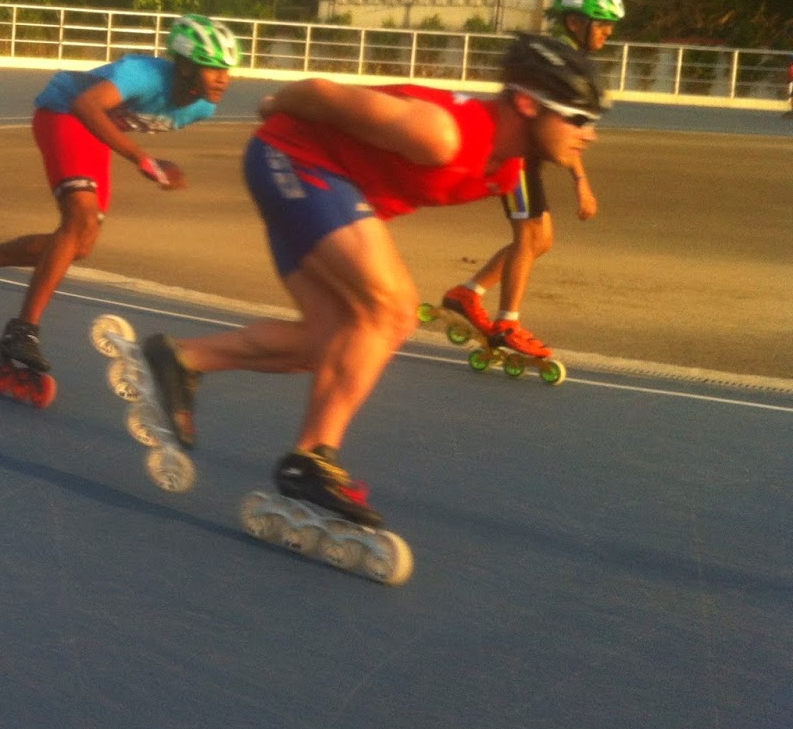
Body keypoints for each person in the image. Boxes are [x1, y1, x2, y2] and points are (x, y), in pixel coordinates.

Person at [131, 33, 606, 527]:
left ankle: (183, 358)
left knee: (329, 343)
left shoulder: (507, 170)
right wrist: (275, 102)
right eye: (577, 118)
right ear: (528, 104)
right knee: (394, 309)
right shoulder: (443, 133)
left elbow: (528, 233)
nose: (589, 133)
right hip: (292, 160)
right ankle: (311, 460)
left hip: (326, 185)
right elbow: (319, 93)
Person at [0, 15, 239, 375]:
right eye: (212, 69)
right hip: (64, 112)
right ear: (185, 67)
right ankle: (23, 330)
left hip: (93, 132)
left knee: (80, 244)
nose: (223, 79)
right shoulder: (143, 74)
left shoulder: (202, 108)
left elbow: (111, 121)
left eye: (227, 70)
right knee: (79, 221)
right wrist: (145, 161)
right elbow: (86, 107)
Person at [438, 0, 622, 359]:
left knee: (542, 240)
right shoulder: (554, 60)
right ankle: (507, 323)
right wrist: (581, 182)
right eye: (602, 24)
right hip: (517, 159)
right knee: (530, 235)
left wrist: (580, 180)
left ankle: (467, 293)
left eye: (609, 26)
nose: (607, 33)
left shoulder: (570, 59)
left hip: (529, 160)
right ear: (576, 22)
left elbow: (571, 129)